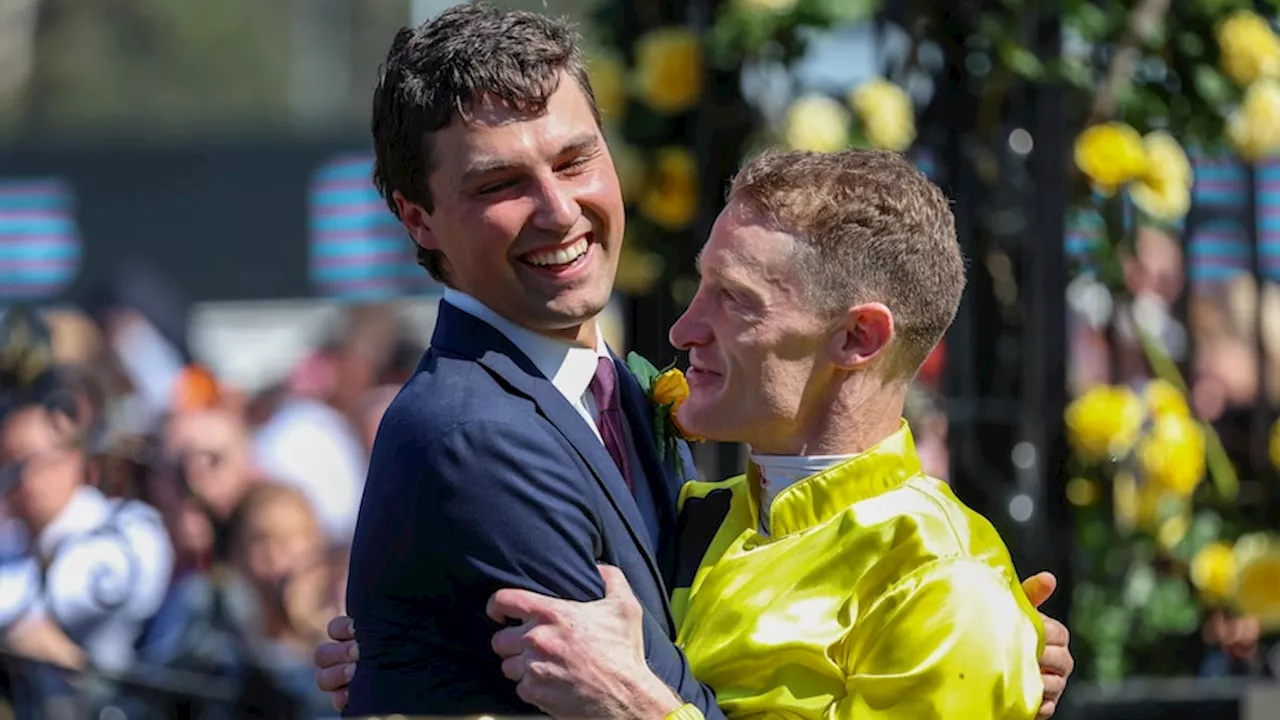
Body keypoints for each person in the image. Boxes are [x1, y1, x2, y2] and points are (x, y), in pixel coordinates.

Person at [326, 4, 1074, 717]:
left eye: (576, 159)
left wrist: (972, 645)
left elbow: (641, 669)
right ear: (415, 218)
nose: (557, 210)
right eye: (499, 184)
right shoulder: (476, 434)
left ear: (858, 339)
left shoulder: (637, 411)